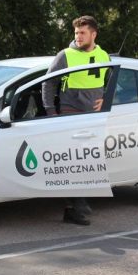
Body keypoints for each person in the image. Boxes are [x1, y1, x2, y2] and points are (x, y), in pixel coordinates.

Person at [42, 15, 111, 225]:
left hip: (94, 115)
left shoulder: (103, 55)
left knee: (89, 159)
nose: (78, 37)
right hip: (70, 112)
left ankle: (74, 207)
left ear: (93, 34)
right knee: (75, 160)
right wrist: (51, 112)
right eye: (76, 33)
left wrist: (105, 99)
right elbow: (47, 83)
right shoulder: (65, 55)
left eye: (82, 33)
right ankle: (78, 204)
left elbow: (111, 82)